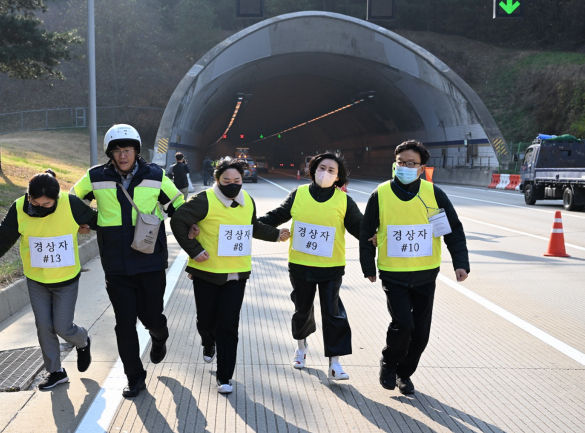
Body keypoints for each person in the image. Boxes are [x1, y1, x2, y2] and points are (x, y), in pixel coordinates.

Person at [71, 124, 185, 398]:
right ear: (110, 153)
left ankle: (159, 335)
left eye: (128, 150)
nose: (123, 155)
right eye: (118, 151)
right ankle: (134, 377)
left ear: (136, 151)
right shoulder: (95, 176)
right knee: (124, 323)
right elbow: (71, 200)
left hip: (150, 261)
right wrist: (86, 221)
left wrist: (189, 226)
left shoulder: (155, 175)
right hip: (116, 263)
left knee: (152, 316)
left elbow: (178, 204)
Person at [359, 139, 469, 395]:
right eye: (401, 163)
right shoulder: (381, 193)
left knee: (420, 334)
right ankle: (388, 362)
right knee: (403, 324)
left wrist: (460, 263)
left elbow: (452, 230)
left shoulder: (433, 194)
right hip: (393, 274)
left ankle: (404, 374)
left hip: (425, 275)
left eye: (411, 164)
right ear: (394, 165)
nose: (405, 167)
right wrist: (368, 265)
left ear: (421, 168)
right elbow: (367, 232)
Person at [170, 159, 290, 395]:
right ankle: (208, 341)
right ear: (217, 180)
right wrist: (195, 250)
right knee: (206, 320)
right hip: (206, 272)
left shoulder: (248, 201)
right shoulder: (204, 200)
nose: (232, 185)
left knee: (229, 324)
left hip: (236, 274)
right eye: (226, 181)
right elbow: (178, 220)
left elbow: (252, 226)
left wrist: (277, 235)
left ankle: (225, 376)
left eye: (237, 181)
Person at [0, 169, 96, 390]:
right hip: (37, 280)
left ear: (56, 199)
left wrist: (88, 227)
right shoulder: (19, 208)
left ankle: (82, 341)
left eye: (47, 205)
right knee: (44, 326)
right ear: (29, 196)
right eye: (36, 204)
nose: (41, 209)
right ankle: (55, 371)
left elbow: (97, 220)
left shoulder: (69, 203)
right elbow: (4, 235)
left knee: (62, 326)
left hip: (66, 280)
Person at [258, 153, 363, 381]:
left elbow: (360, 227)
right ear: (313, 170)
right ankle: (301, 348)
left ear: (338, 177)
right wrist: (264, 230)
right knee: (302, 309)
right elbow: (274, 217)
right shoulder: (299, 194)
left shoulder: (344, 200)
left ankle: (335, 362)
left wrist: (377, 236)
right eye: (321, 167)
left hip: (331, 267)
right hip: (300, 265)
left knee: (333, 313)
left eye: (331, 170)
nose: (325, 173)